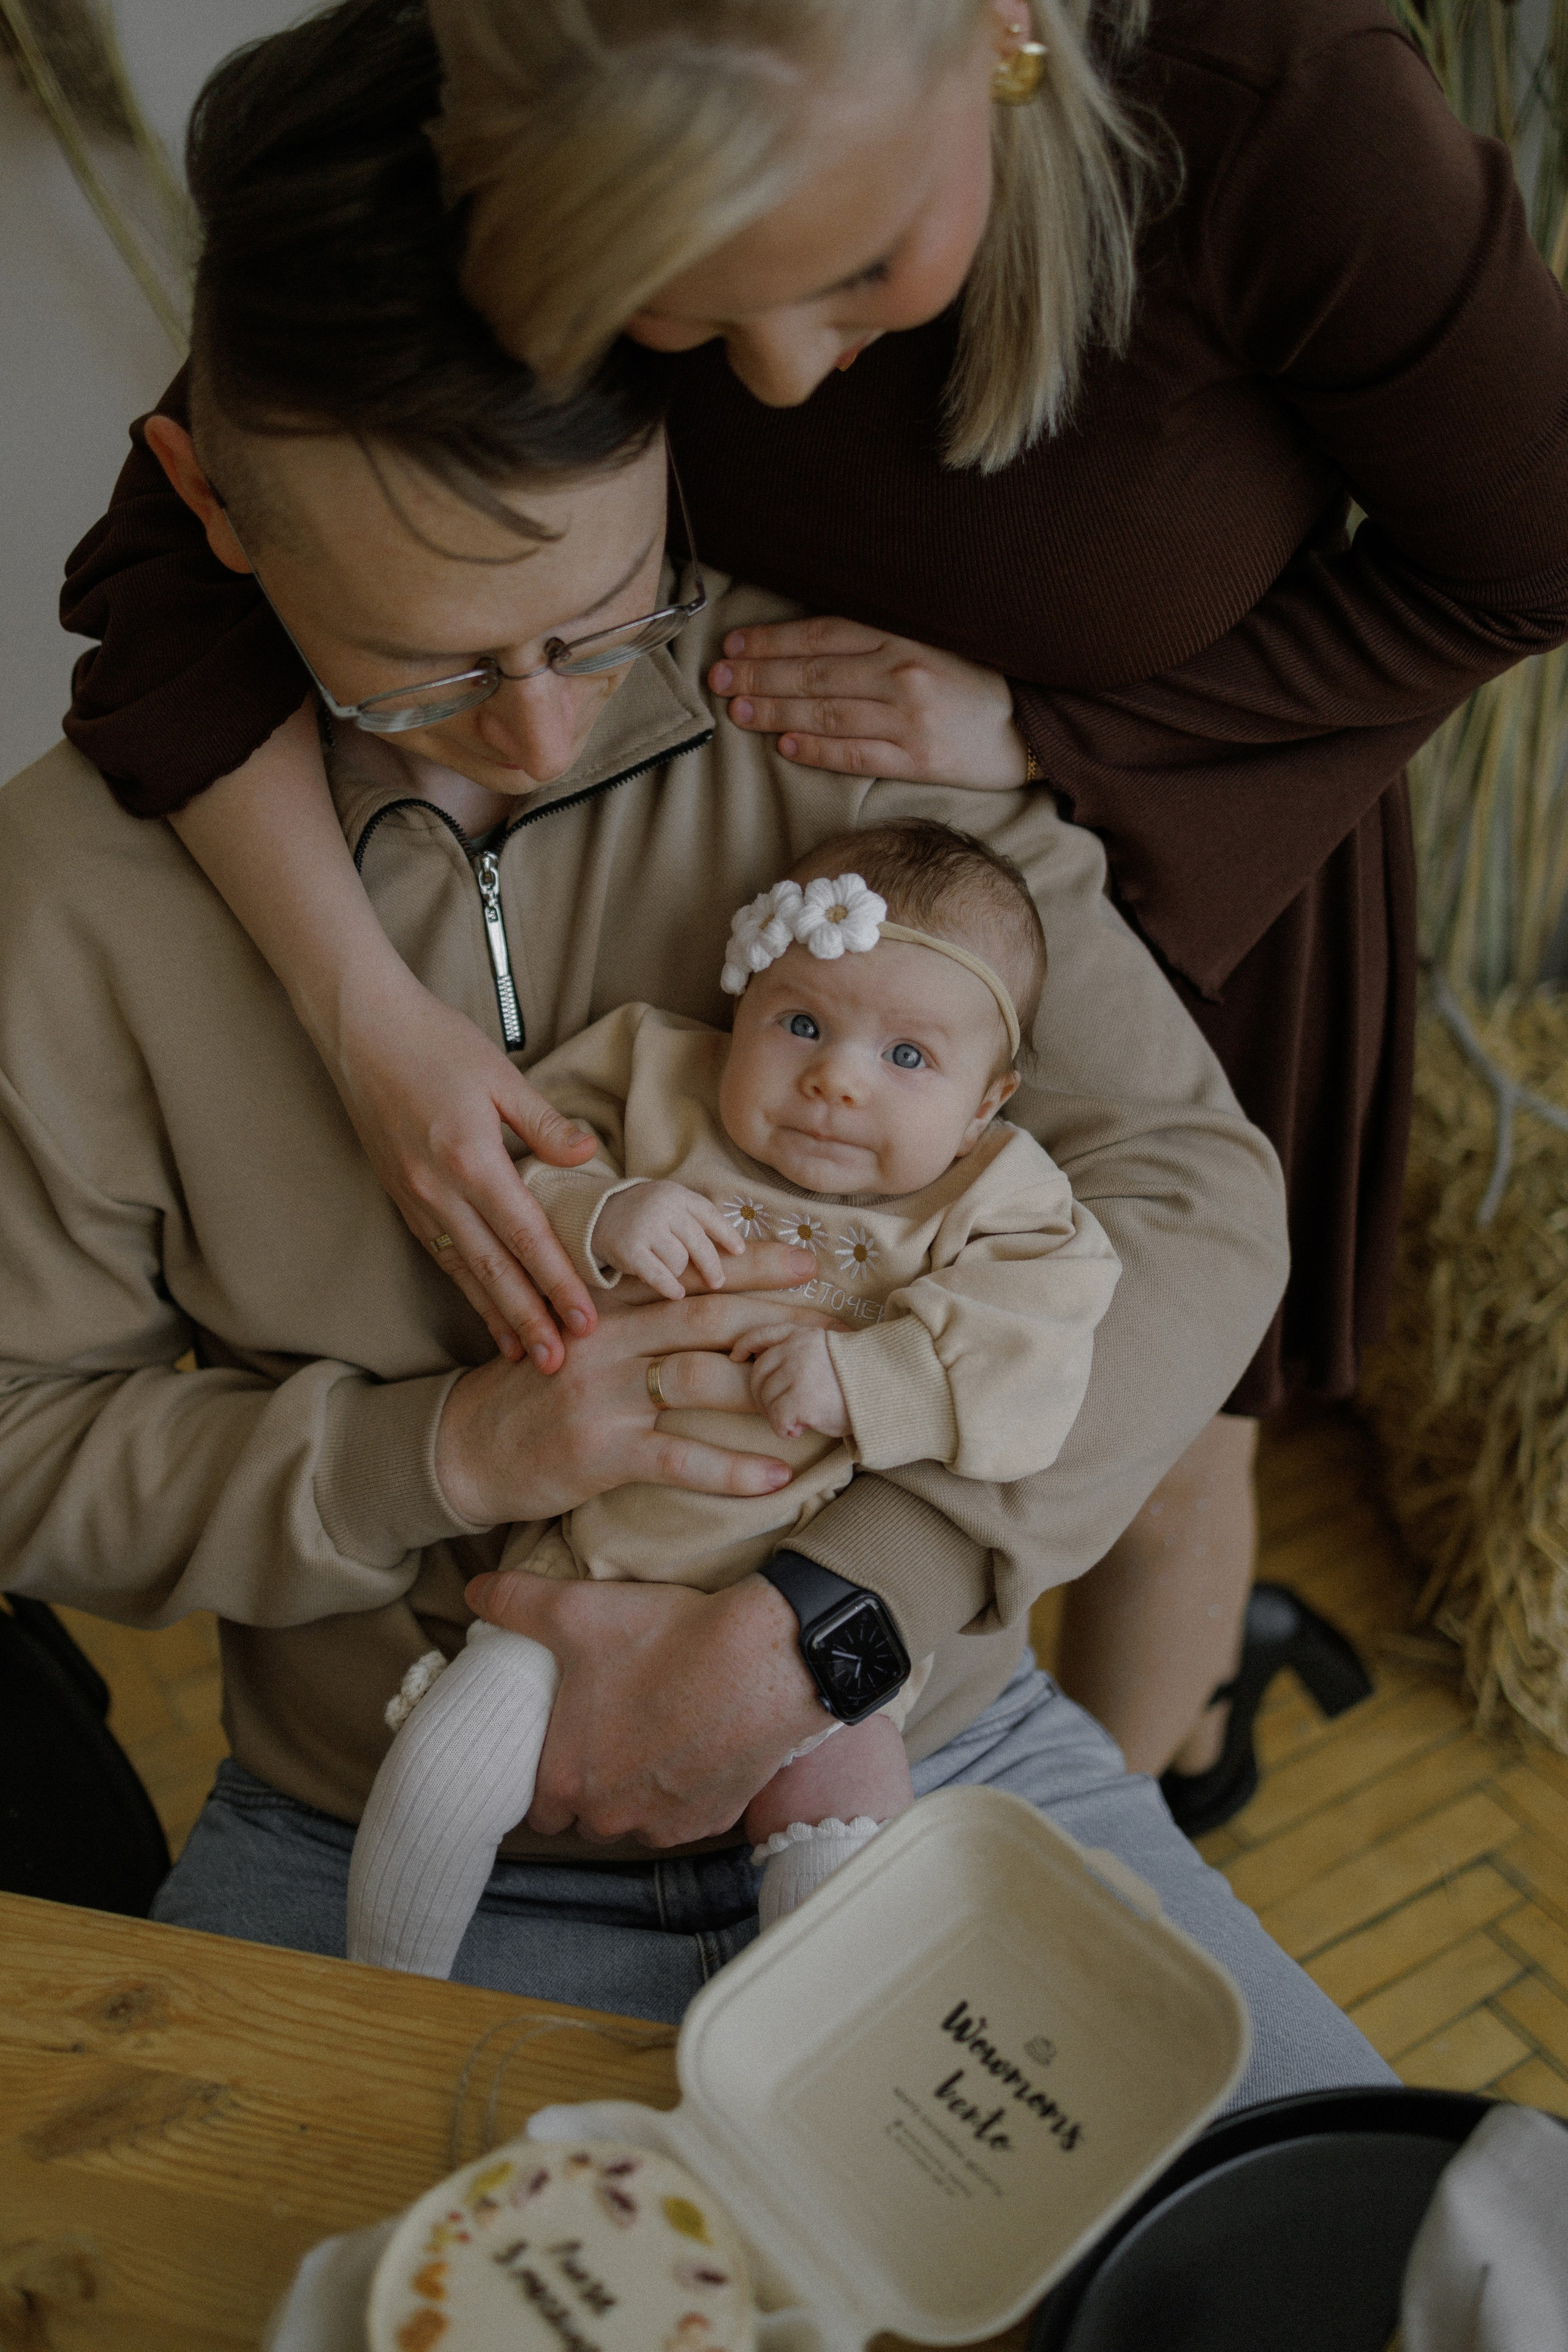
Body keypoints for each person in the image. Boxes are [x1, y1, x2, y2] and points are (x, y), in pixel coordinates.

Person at [2, 2, 1389, 2101]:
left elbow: (1194, 1200)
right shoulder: (76, 892)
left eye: (597, 617)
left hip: (917, 1746)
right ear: (208, 502)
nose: (545, 729)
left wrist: (828, 1619)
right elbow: (26, 1444)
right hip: (358, 1819)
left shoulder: (829, 708)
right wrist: (448, 1459)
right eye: (425, 664)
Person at [348, 821, 1120, 1975]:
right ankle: (382, 1991)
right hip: (584, 1571)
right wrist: (603, 1214)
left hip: (803, 1603)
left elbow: (1043, 1344)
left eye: (909, 1058)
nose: (835, 1079)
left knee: (849, 1828)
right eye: (801, 1023)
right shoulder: (655, 1076)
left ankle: (797, 2065)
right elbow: (513, 1164)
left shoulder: (996, 1195)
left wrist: (870, 1379)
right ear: (741, 1003)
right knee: (448, 1762)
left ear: (985, 1101)